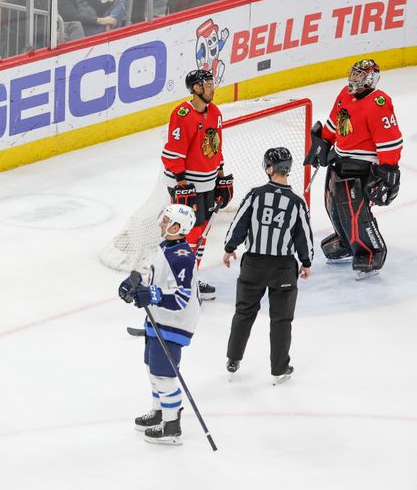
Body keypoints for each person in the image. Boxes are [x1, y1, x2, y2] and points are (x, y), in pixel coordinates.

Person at [223, 148, 313, 384]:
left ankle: (233, 359)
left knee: (244, 312)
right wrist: (306, 262)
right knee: (281, 319)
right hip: (283, 268)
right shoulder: (296, 202)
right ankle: (279, 369)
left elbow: (239, 223)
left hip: (253, 264)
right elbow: (304, 235)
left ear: (270, 168)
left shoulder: (255, 195)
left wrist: (229, 247)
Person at [305, 59, 402, 279]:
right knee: (333, 208)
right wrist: (323, 144)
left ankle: (370, 251)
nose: (355, 79)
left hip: (361, 167)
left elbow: (391, 141)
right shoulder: (344, 94)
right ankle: (348, 239)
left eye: (360, 76)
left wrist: (388, 171)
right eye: (354, 74)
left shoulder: (378, 102)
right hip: (338, 160)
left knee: (354, 213)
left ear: (370, 79)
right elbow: (334, 124)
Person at [118, 204, 200, 445]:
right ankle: (160, 411)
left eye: (165, 221)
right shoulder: (167, 248)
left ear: (177, 227)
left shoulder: (182, 257)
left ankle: (172, 427)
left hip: (173, 324)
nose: (160, 224)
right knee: (152, 368)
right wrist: (136, 282)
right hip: (159, 320)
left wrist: (151, 295)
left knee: (163, 376)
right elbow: (159, 280)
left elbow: (181, 298)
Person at [161, 69, 232, 300]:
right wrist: (182, 184)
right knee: (186, 233)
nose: (213, 87)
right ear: (197, 88)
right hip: (187, 184)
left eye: (212, 82)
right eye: (208, 83)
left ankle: (190, 278)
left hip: (208, 183)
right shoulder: (182, 114)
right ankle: (175, 280)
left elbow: (217, 147)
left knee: (202, 232)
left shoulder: (215, 112)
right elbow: (173, 153)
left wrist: (220, 176)